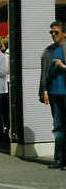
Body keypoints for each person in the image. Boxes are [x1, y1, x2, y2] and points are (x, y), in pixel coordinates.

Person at [40, 21, 66, 169]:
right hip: (54, 93)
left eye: (56, 32)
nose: (53, 35)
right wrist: (44, 90)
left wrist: (63, 67)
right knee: (58, 127)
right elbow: (44, 73)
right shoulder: (48, 51)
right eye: (51, 32)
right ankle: (59, 159)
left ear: (64, 33)